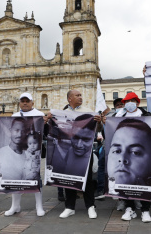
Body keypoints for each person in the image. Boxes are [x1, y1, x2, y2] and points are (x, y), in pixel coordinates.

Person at [107, 92, 151, 223]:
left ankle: (145, 210)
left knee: (143, 182)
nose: (128, 104)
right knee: (126, 182)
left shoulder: (147, 116)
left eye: (131, 101)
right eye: (126, 102)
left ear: (137, 102)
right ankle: (130, 209)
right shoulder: (118, 116)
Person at [0, 92, 46, 217]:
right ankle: (15, 206)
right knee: (16, 179)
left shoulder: (39, 115)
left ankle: (39, 206)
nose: (24, 103)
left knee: (35, 178)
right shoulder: (15, 115)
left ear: (32, 103)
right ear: (19, 103)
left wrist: (46, 122)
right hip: (17, 151)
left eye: (27, 101)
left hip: (32, 152)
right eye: (22, 101)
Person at [59, 89, 102, 220]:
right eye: (77, 95)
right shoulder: (62, 113)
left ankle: (90, 206)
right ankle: (69, 207)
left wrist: (99, 122)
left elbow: (98, 130)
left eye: (81, 95)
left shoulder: (88, 111)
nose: (80, 97)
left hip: (85, 151)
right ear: (69, 98)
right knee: (69, 179)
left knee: (87, 179)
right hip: (69, 151)